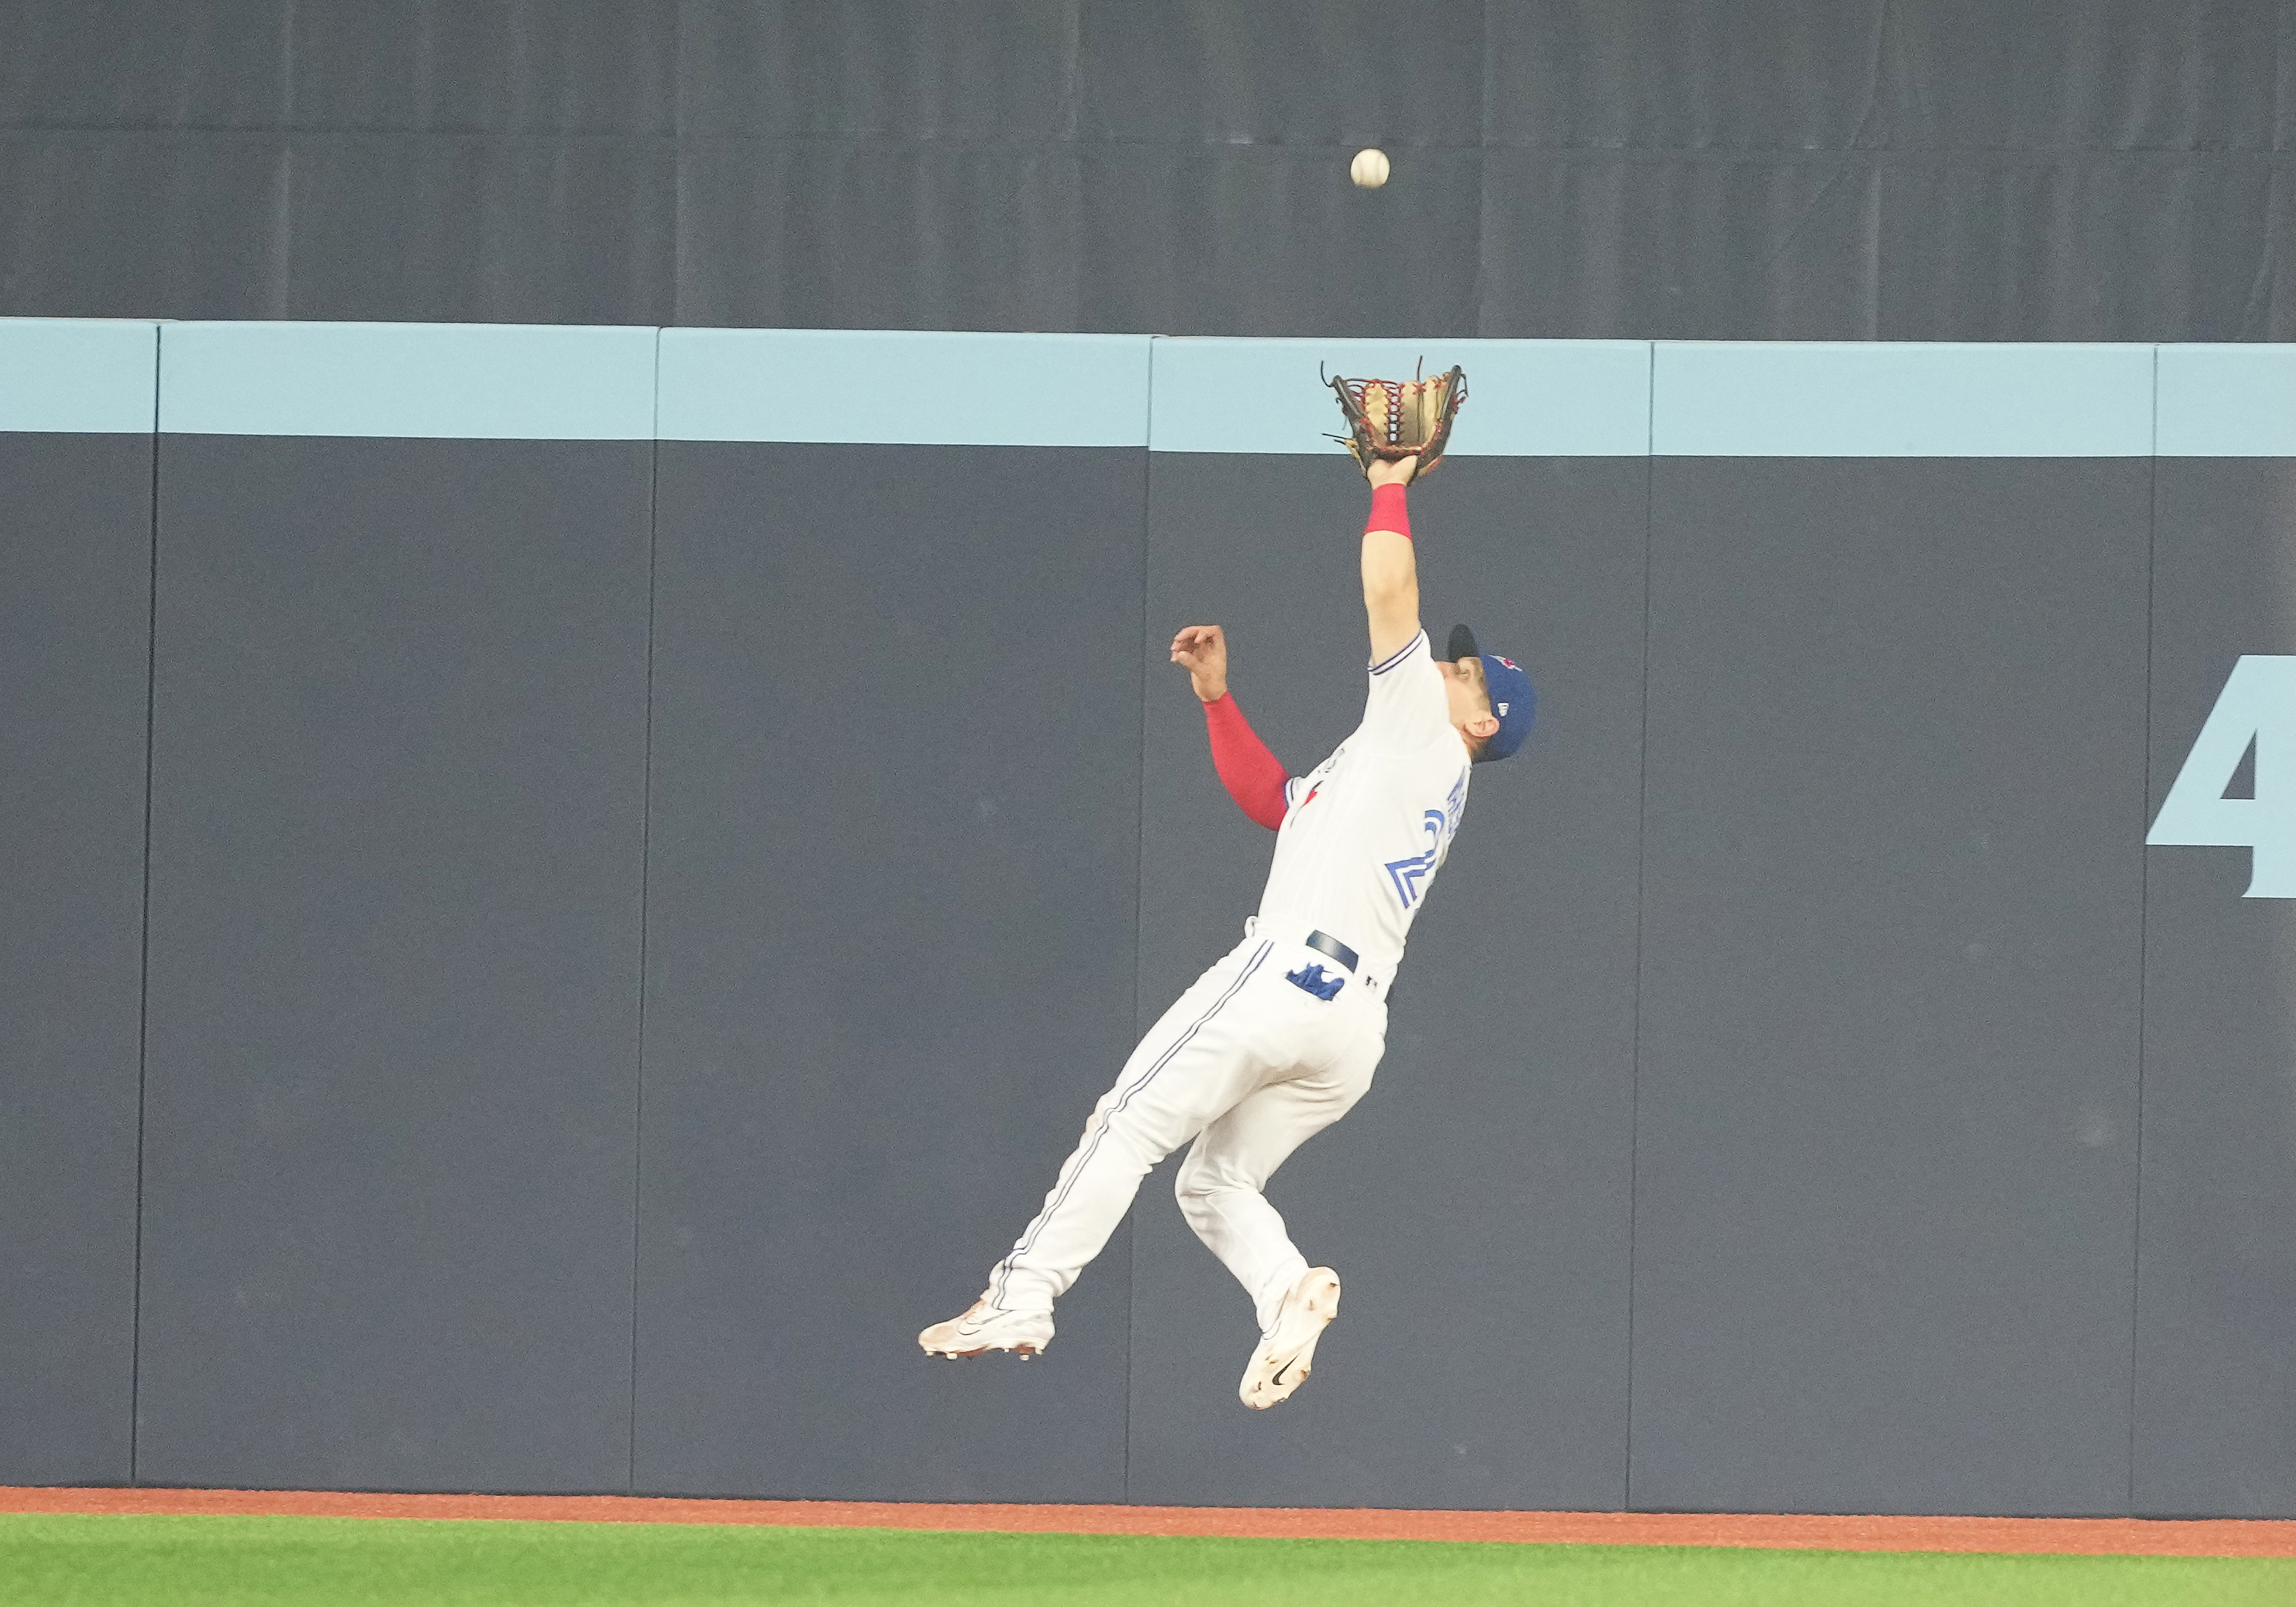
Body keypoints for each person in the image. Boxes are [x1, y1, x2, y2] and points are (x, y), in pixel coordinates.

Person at [919, 453, 1536, 1409]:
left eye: (1466, 671)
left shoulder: (1424, 727)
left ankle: (1021, 1296)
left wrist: (1389, 481)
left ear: (1485, 718)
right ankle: (1289, 1291)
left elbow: (1389, 585)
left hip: (1288, 978)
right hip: (1347, 1029)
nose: (1447, 666)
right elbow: (1272, 800)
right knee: (1211, 1185)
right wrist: (1218, 700)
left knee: (1127, 1122)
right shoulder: (1393, 765)